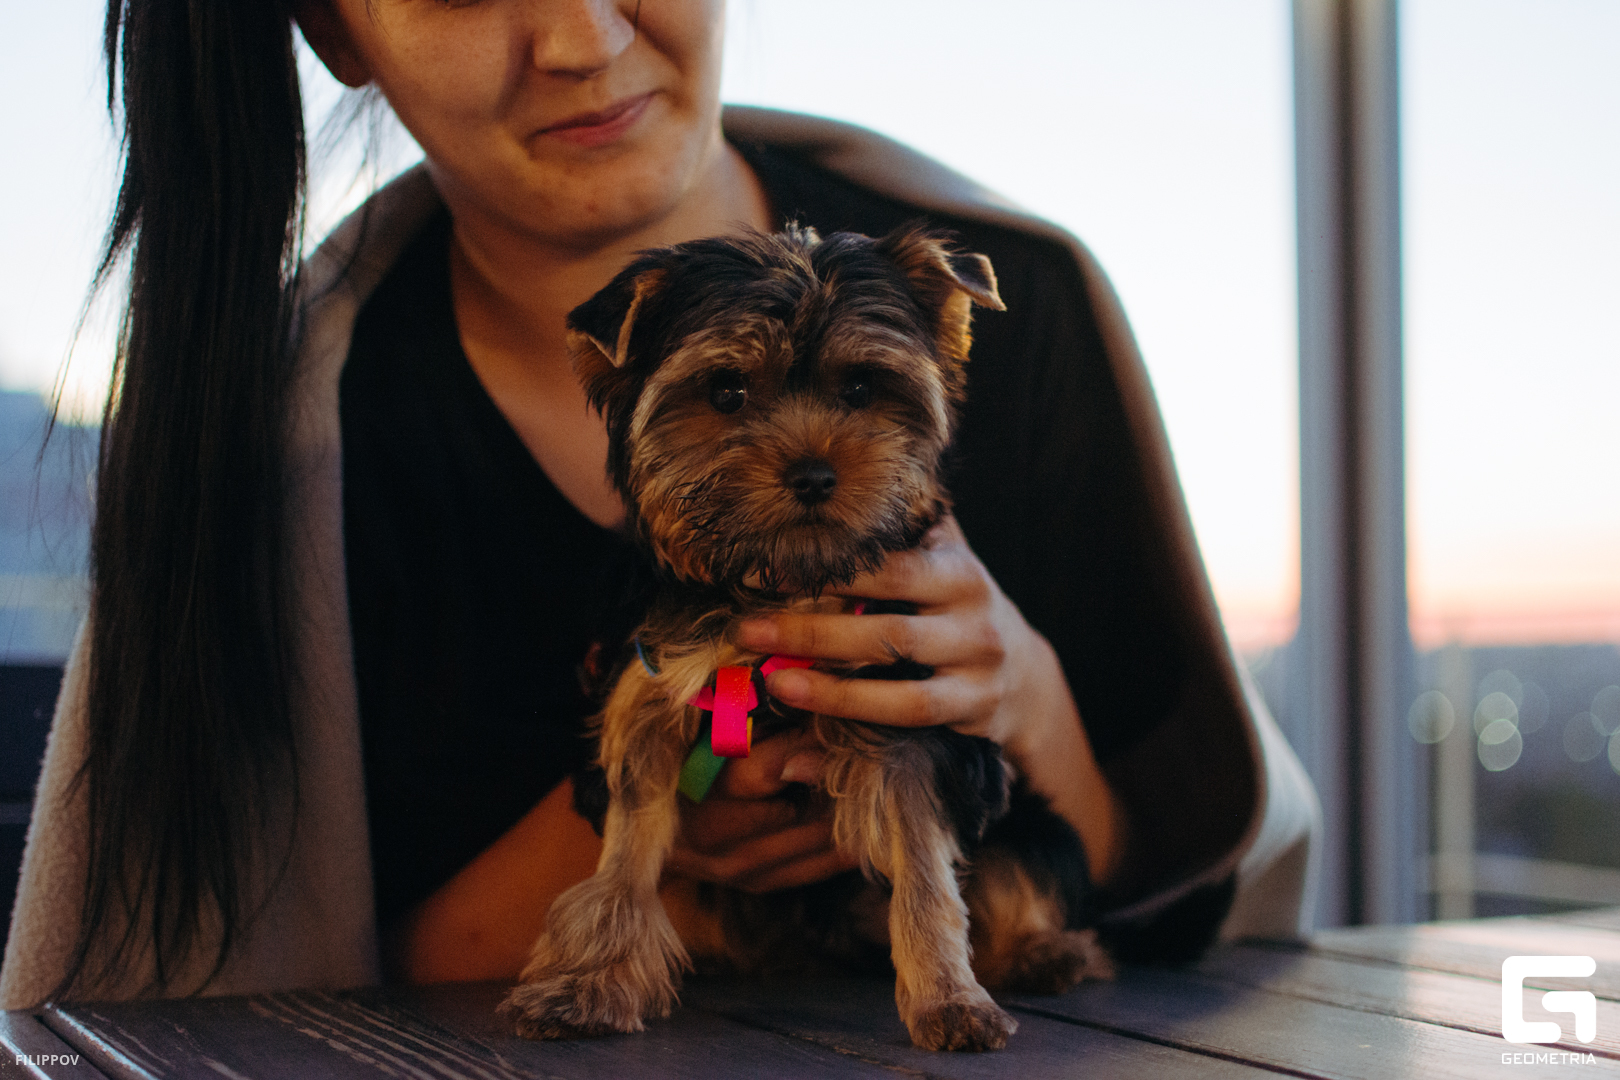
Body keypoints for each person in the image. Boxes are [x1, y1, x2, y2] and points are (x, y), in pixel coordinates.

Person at [0, 0, 1317, 1008]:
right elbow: (260, 983)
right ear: (333, 30)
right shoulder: (274, 448)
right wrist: (661, 804)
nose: (582, 37)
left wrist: (1024, 698)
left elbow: (1162, 877)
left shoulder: (1020, 303)